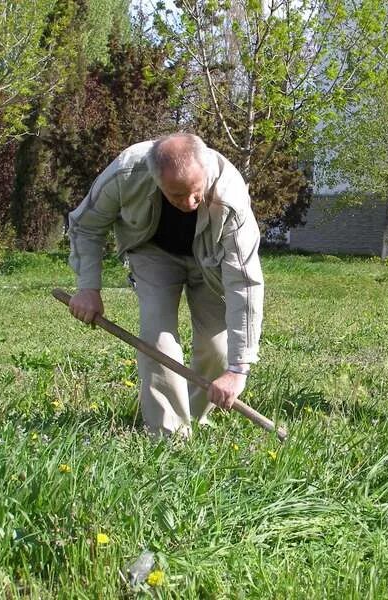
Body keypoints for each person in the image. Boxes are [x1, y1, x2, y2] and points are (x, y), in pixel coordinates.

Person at [66, 133, 264, 438]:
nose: (187, 203)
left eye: (195, 193)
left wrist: (238, 370)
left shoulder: (230, 197)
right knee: (158, 339)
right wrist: (88, 287)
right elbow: (86, 224)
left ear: (206, 171)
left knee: (217, 350)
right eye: (175, 195)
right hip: (152, 253)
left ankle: (195, 417)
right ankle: (168, 436)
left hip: (210, 261)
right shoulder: (126, 173)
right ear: (157, 181)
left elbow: (244, 282)